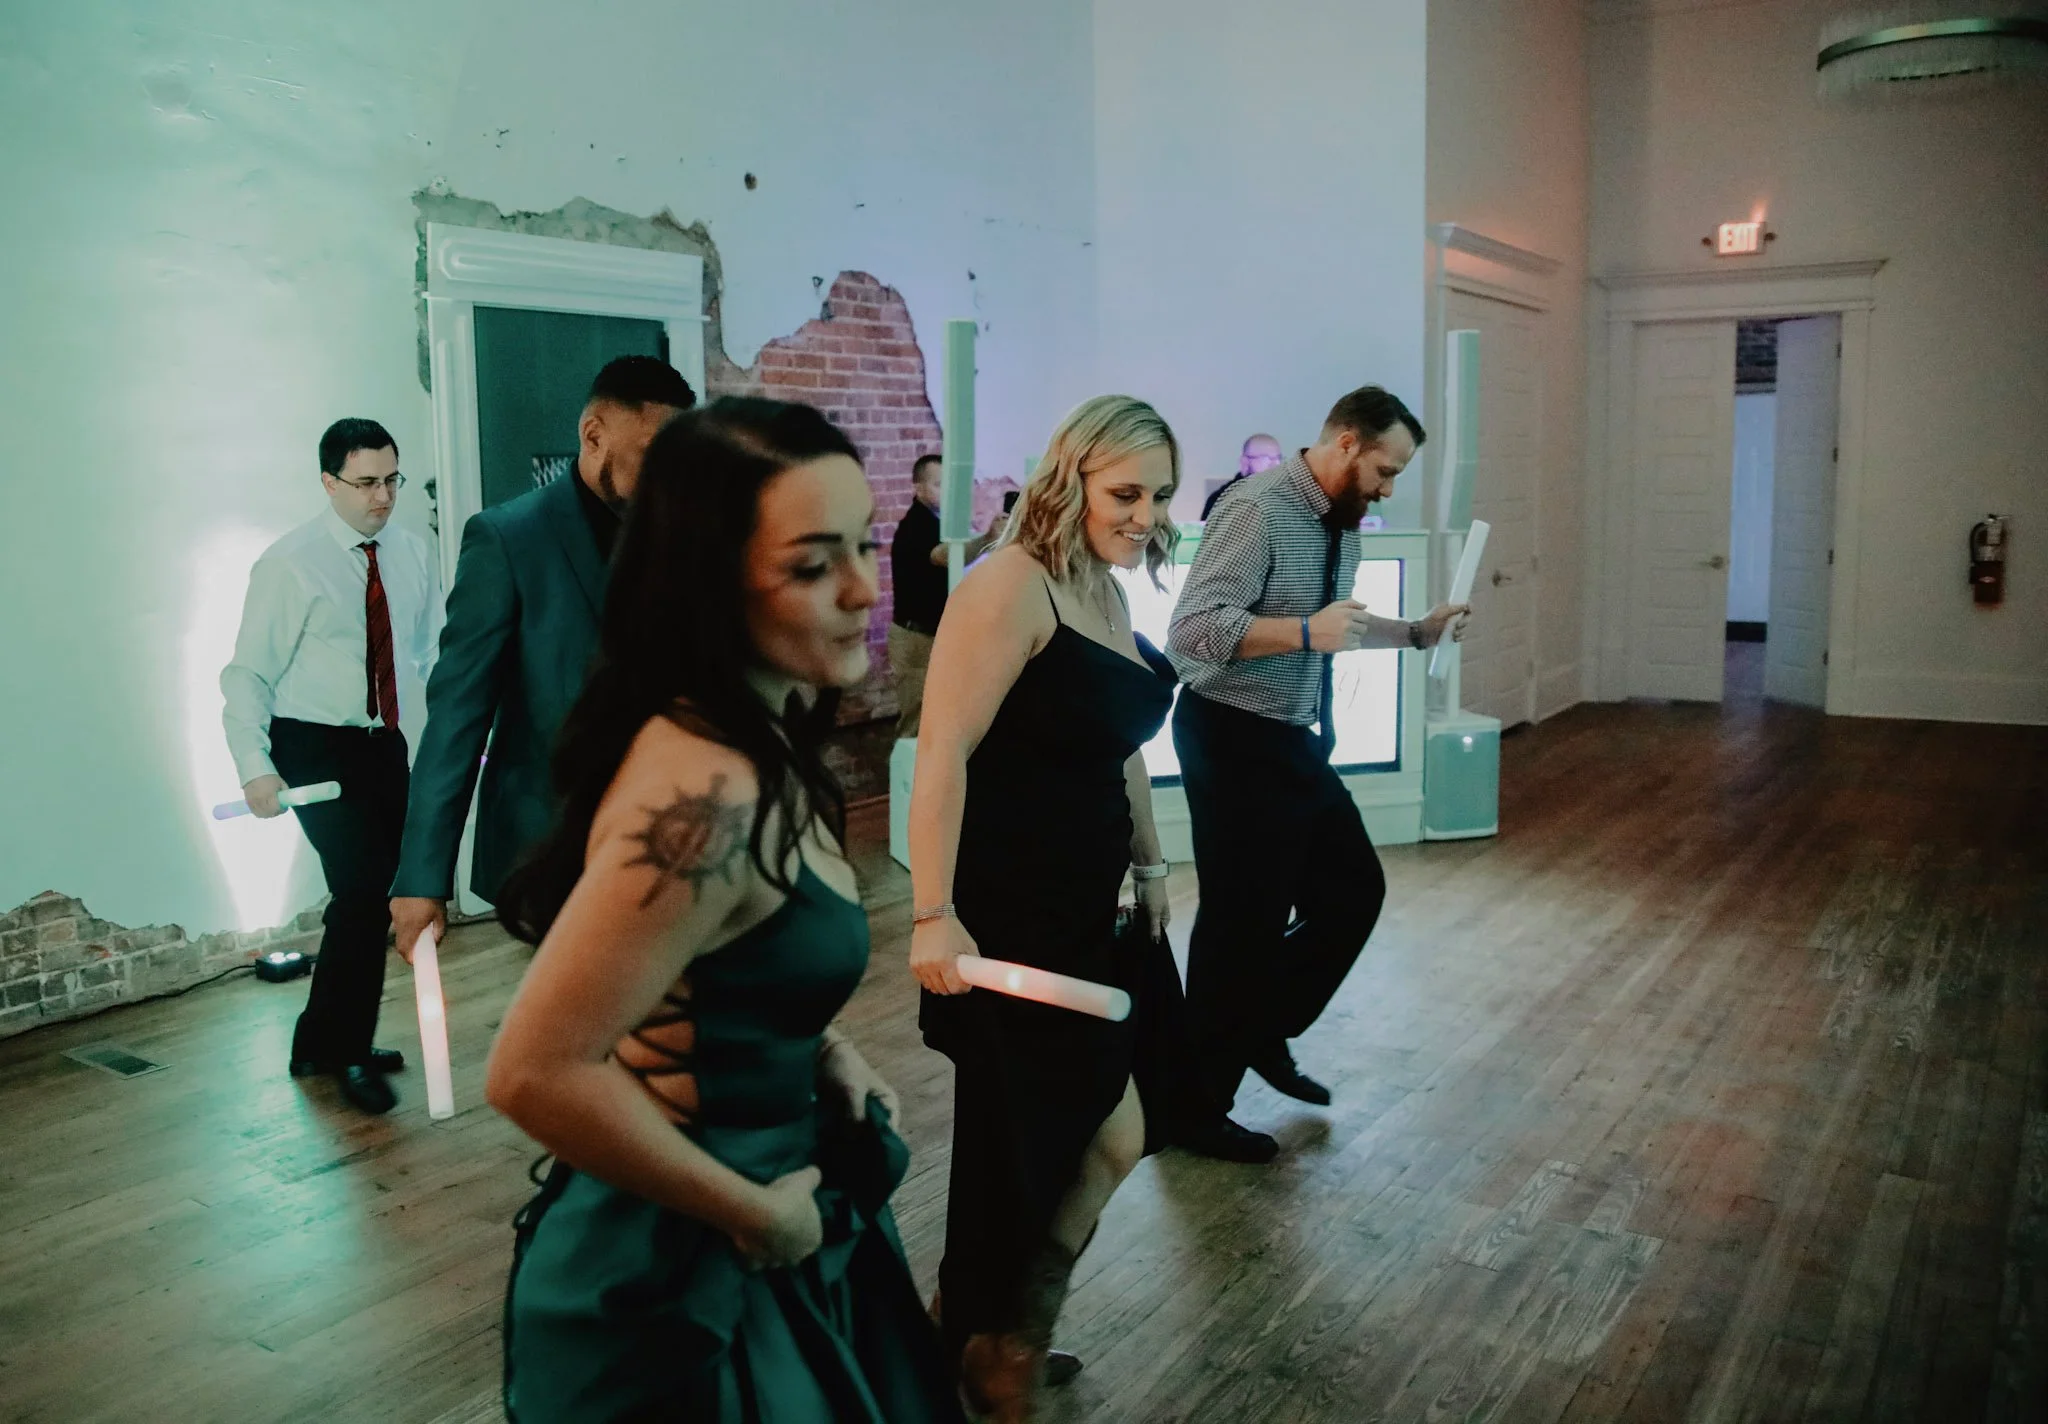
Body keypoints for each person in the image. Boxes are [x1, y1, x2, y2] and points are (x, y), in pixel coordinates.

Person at [486, 398, 962, 1423]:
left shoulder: (762, 740)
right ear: (707, 581)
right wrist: (751, 1210)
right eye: (808, 564)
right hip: (680, 1265)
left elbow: (719, 962)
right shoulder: (706, 795)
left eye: (866, 544)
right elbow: (533, 1067)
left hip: (769, 1203)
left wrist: (815, 1038)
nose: (857, 589)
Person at [908, 396, 1180, 1421]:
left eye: (1157, 494)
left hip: (1092, 909)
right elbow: (940, 754)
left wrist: (1151, 865)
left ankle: (989, 1329)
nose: (1144, 513)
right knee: (1039, 1142)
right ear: (1066, 479)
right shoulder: (1007, 587)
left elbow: (1119, 743)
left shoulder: (1100, 588)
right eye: (1124, 492)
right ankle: (993, 1340)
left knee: (1086, 1136)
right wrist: (932, 912)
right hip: (1010, 916)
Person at [1167, 387, 1469, 1163]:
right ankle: (1196, 1110)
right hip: (1231, 738)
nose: (1389, 488)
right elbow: (1193, 633)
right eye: (1385, 469)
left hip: (1290, 741)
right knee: (1242, 923)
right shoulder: (1257, 509)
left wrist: (1416, 634)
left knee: (1351, 892)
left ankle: (1261, 1024)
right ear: (1343, 442)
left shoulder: (1338, 519)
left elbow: (1338, 630)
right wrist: (1304, 630)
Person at [389, 356, 693, 958]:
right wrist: (423, 879)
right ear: (594, 436)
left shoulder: (684, 536)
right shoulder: (506, 538)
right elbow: (457, 715)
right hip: (551, 844)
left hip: (671, 840)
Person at [221, 419, 441, 1115]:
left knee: (380, 891)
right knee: (362, 891)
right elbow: (248, 674)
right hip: (311, 745)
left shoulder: (413, 551)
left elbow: (432, 651)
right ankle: (347, 1052)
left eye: (391, 480)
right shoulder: (290, 564)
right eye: (366, 482)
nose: (383, 497)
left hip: (384, 743)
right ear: (329, 482)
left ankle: (318, 1038)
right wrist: (255, 767)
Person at [888, 452, 1005, 739]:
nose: (946, 491)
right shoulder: (917, 523)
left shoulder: (943, 522)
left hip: (936, 635)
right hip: (917, 638)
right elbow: (944, 557)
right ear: (918, 487)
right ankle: (910, 783)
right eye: (939, 484)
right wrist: (988, 538)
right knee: (916, 722)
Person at [1199, 432, 1286, 521]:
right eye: (1265, 458)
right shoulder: (1223, 500)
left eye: (1278, 458)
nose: (1276, 464)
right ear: (1245, 462)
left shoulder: (1285, 497)